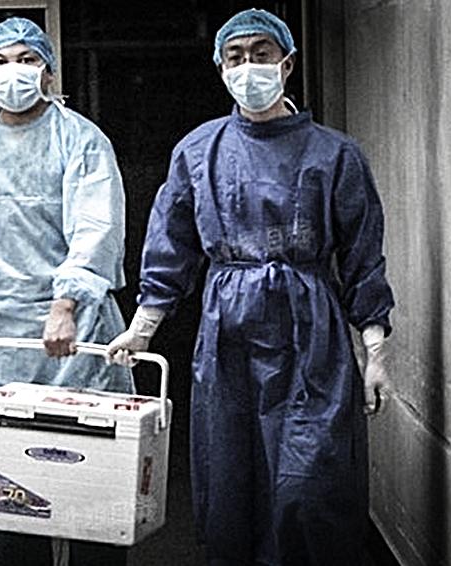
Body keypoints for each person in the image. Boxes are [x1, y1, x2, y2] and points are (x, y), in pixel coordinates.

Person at [107, 8, 395, 566]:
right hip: (228, 334)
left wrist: (377, 351)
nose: (248, 67)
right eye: (235, 57)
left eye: (261, 54)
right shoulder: (199, 151)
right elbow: (172, 245)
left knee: (310, 482)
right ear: (220, 69)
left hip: (310, 334)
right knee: (231, 478)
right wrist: (142, 329)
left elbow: (363, 256)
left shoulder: (336, 154)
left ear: (287, 63)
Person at [0, 16, 130, 566]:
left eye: (26, 59)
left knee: (91, 488)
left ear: (48, 70)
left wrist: (65, 303)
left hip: (76, 330)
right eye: (0, 62)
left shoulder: (79, 139)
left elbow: (95, 228)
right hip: (6, 336)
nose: (14, 73)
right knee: (18, 491)